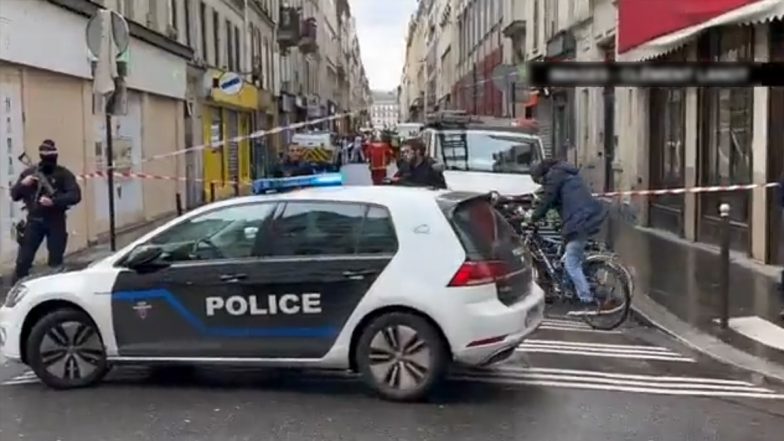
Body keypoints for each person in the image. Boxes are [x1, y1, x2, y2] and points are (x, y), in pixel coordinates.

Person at [527, 159, 608, 314]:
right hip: (587, 217)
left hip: (579, 221)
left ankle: (587, 300)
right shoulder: (563, 173)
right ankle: (571, 291)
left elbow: (547, 199)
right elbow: (552, 196)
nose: (542, 183)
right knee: (570, 256)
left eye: (540, 180)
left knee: (572, 263)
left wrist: (533, 218)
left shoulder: (555, 176)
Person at [10, 140, 81, 284]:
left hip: (56, 221)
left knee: (56, 261)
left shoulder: (63, 174)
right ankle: (16, 291)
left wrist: (54, 201)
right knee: (24, 260)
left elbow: (75, 196)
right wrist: (23, 185)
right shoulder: (30, 173)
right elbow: (15, 195)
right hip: (34, 221)